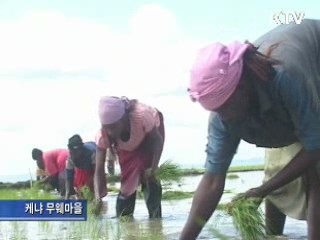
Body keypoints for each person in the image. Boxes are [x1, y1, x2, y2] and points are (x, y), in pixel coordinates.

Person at [180, 19, 320, 240]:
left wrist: (260, 192)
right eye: (217, 110)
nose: (223, 117)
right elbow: (212, 180)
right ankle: (273, 236)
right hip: (279, 106)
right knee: (276, 174)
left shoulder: (286, 77)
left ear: (242, 85)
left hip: (314, 66)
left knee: (316, 174)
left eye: (225, 107)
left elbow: (314, 148)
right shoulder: (221, 116)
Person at [94, 96, 165, 218]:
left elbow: (157, 141)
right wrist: (97, 196)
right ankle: (125, 220)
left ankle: (155, 220)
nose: (110, 131)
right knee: (127, 182)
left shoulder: (142, 115)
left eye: (114, 126)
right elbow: (99, 169)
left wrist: (153, 168)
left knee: (149, 177)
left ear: (123, 119)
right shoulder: (103, 135)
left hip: (149, 138)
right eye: (107, 127)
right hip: (128, 147)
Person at [65, 134, 98, 199]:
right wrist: (67, 196)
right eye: (72, 152)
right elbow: (69, 178)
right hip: (82, 166)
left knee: (91, 186)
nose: (74, 155)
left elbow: (97, 174)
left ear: (81, 149)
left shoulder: (92, 154)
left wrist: (97, 195)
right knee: (80, 189)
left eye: (76, 152)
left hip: (93, 163)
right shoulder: (70, 159)